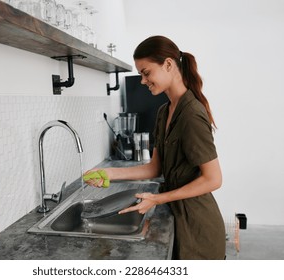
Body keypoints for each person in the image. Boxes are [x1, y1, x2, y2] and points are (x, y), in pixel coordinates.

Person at [83, 35, 225, 260]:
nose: (142, 81)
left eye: (146, 72)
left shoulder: (191, 115)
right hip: (177, 217)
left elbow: (213, 179)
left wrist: (158, 198)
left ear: (168, 64)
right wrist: (109, 173)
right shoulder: (163, 112)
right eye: (141, 74)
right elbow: (153, 169)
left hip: (197, 229)